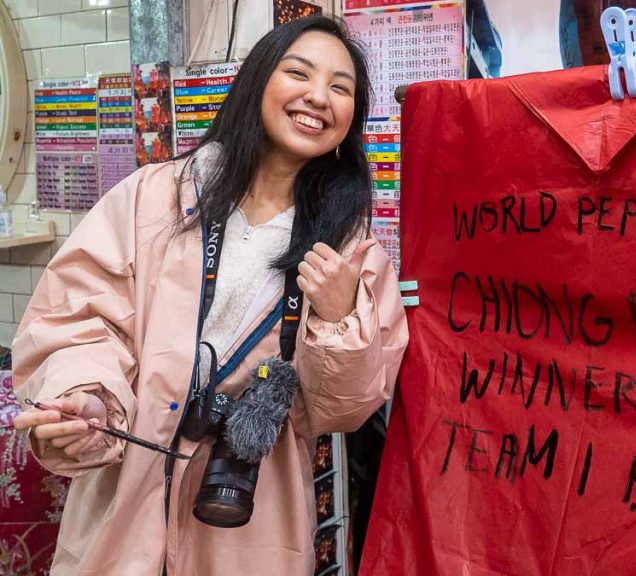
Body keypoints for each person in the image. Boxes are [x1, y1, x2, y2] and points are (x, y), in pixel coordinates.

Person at [12, 16, 408, 575]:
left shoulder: (353, 252)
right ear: (256, 83)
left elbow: (341, 410)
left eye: (341, 88)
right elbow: (80, 314)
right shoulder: (154, 198)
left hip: (250, 512)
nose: (318, 97)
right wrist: (88, 396)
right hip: (127, 493)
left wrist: (342, 317)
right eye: (299, 73)